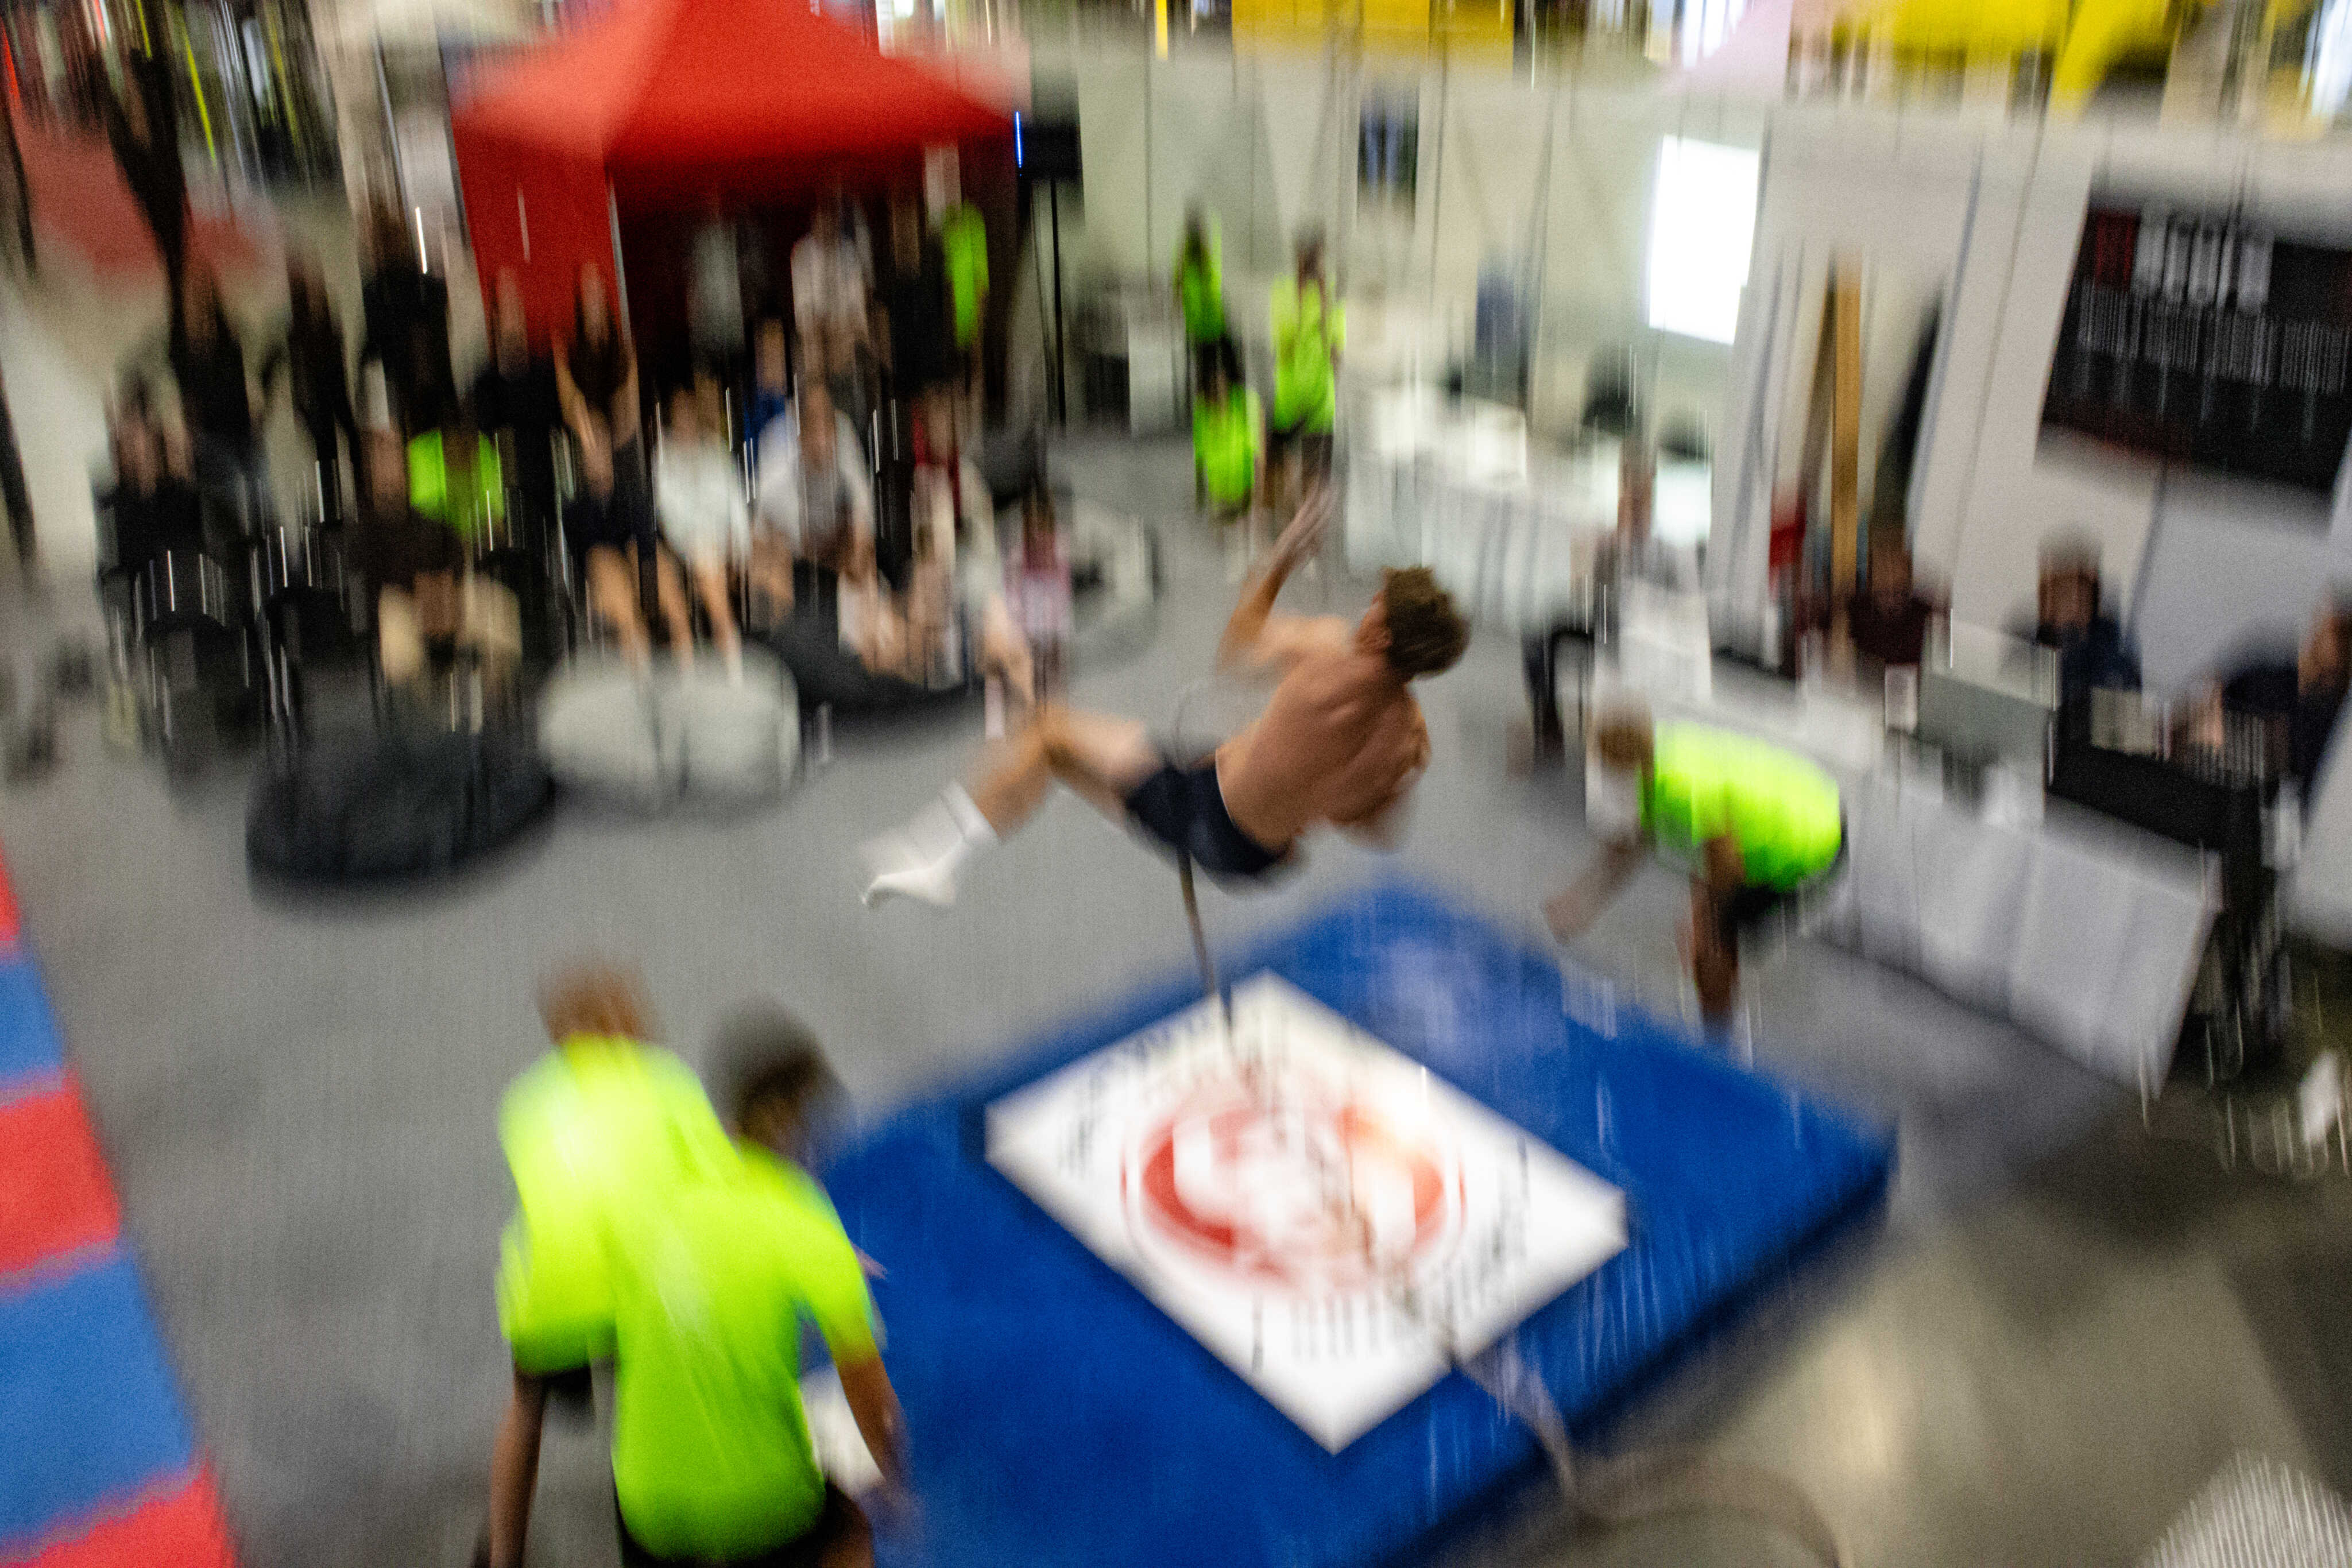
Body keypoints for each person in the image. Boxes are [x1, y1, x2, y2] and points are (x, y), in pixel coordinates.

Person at [860, 489, 1467, 908]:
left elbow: (1237, 647)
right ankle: (1029, 797)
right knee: (1070, 760)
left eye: (1377, 605)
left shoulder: (1327, 649)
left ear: (1382, 634)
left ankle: (937, 861)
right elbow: (1369, 824)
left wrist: (1281, 558)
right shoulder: (1411, 740)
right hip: (1262, 857)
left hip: (1205, 814)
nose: (1367, 605)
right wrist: (1297, 790)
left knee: (1047, 731)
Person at [581, 1005, 908, 1568]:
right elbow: (870, 1399)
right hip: (762, 1510)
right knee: (852, 1537)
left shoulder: (654, 1192)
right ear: (801, 1124)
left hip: (645, 1506)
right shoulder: (807, 1228)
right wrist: (894, 1485)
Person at [481, 962, 739, 1568]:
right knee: (647, 1404)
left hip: (545, 1293)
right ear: (620, 1022)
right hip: (638, 1290)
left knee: (525, 1408)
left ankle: (503, 1553)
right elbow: (724, 1188)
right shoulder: (668, 1081)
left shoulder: (525, 1098)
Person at [1545, 703, 1846, 1032]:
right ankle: (1716, 1005)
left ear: (1619, 757)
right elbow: (1634, 844)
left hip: (1811, 843)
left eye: (1601, 759)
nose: (1601, 768)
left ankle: (1716, 1032)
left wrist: (1702, 922)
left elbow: (1727, 862)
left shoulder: (1680, 785)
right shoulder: (1662, 750)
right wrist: (1581, 901)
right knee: (1704, 909)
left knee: (1710, 940)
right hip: (1819, 799)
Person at [2182, 593, 2352, 800]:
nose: (2337, 650)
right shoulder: (2265, 676)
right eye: (2339, 635)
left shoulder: (2331, 729)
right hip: (2198, 785)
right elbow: (2198, 711)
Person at [568, 406, 687, 670]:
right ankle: (641, 673)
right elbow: (586, 556)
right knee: (607, 565)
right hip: (606, 581)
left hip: (642, 569)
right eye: (589, 445)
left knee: (656, 568)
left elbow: (647, 541)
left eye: (600, 441)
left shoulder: (633, 495)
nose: (596, 451)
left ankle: (686, 671)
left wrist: (640, 566)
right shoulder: (576, 510)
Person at [348, 429, 465, 688]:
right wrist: (418, 593)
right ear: (370, 472)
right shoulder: (362, 532)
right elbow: (370, 589)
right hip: (398, 609)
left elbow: (453, 552)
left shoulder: (429, 523)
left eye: (395, 458)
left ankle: (495, 700)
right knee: (394, 621)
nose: (391, 468)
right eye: (383, 460)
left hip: (442, 600)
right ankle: (415, 701)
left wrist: (441, 588)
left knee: (493, 607)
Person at [755, 378, 876, 614]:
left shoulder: (844, 436)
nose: (822, 436)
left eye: (826, 422)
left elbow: (863, 516)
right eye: (813, 423)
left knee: (862, 553)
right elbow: (764, 532)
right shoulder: (778, 460)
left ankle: (855, 627)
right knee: (771, 563)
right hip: (790, 554)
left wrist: (855, 547)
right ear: (801, 433)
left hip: (833, 550)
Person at [656, 381, 750, 676]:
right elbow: (671, 515)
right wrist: (707, 538)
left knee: (718, 560)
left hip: (721, 541)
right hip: (685, 541)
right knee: (706, 557)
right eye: (680, 412)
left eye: (690, 412)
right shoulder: (663, 456)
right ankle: (729, 650)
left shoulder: (715, 450)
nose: (686, 419)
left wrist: (739, 547)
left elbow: (736, 502)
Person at [260, 254, 358, 523]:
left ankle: (336, 509)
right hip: (317, 395)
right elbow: (272, 362)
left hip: (325, 393)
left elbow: (272, 363)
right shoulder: (299, 321)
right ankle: (333, 510)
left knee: (336, 449)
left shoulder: (311, 318)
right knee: (329, 452)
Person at [471, 270, 563, 553]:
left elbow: (562, 426)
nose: (514, 318)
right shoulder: (485, 385)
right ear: (495, 318)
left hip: (549, 491)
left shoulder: (545, 374)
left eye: (516, 308)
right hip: (506, 500)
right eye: (506, 309)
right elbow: (484, 447)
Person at [168, 260, 264, 527]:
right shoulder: (182, 346)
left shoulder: (229, 335)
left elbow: (247, 377)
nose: (202, 303)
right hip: (212, 437)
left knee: (260, 501)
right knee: (230, 504)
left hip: (242, 429)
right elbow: (183, 395)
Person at [358, 201, 453, 435]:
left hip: (403, 389)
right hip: (431, 385)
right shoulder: (428, 288)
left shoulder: (378, 292)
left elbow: (374, 345)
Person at [1267, 233, 1344, 521]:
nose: (1312, 265)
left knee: (1316, 467)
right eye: (1307, 257)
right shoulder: (1284, 291)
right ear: (1298, 258)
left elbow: (1336, 349)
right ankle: (1288, 511)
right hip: (1291, 393)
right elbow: (1284, 344)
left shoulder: (1330, 292)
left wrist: (1324, 304)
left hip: (1320, 395)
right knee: (1285, 462)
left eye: (1317, 258)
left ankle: (1308, 518)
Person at [98, 385, 203, 584]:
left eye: (138, 435)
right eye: (126, 437)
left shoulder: (182, 498)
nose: (134, 447)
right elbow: (111, 574)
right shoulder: (114, 505)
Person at [100, 51, 185, 291]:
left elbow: (165, 132)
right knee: (162, 227)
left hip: (157, 170)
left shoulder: (152, 88)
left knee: (169, 229)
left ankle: (175, 271)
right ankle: (173, 266)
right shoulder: (126, 96)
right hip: (146, 171)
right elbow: (121, 138)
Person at [557, 262, 643, 470]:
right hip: (589, 447)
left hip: (621, 444)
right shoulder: (569, 352)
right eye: (588, 290)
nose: (594, 297)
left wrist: (614, 441)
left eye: (597, 288)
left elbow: (632, 407)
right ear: (581, 298)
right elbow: (571, 408)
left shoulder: (623, 349)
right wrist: (592, 441)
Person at [1190, 336, 1262, 573]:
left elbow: (1254, 445)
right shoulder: (1203, 408)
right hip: (1219, 481)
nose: (1218, 385)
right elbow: (1200, 449)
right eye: (1213, 381)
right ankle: (1240, 557)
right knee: (1226, 529)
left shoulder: (1244, 402)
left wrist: (1256, 477)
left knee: (1240, 530)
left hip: (1241, 477)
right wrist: (1200, 489)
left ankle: (1244, 557)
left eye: (1221, 379)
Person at [791, 199, 871, 401]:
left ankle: (847, 397)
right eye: (821, 221)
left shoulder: (849, 252)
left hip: (842, 327)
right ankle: (817, 395)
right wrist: (823, 326)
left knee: (850, 339)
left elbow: (857, 307)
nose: (826, 227)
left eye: (830, 220)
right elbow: (803, 310)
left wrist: (843, 327)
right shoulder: (802, 253)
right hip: (815, 328)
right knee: (812, 342)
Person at [1173, 207, 1226, 390]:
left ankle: (1205, 391)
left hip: (1200, 323)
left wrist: (1178, 307)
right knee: (1208, 364)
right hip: (1207, 322)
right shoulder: (1201, 255)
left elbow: (1179, 284)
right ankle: (1207, 391)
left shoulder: (1187, 256)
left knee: (1203, 364)